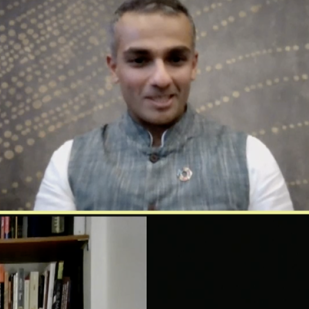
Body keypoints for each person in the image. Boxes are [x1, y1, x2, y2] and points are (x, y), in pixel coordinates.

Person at [34, 0, 293, 211]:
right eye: (139, 60)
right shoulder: (68, 161)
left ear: (193, 64)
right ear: (113, 68)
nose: (161, 79)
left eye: (176, 59)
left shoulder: (252, 158)